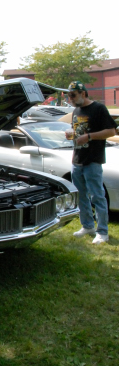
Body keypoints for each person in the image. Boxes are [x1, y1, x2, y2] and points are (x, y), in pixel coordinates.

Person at [65, 81, 116, 244]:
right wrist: (71, 134)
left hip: (93, 159)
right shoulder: (75, 110)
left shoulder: (99, 108)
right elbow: (78, 131)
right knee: (81, 196)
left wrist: (89, 136)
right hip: (77, 159)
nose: (70, 98)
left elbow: (111, 131)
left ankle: (102, 231)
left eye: (73, 95)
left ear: (83, 93)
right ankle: (87, 226)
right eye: (69, 95)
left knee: (97, 196)